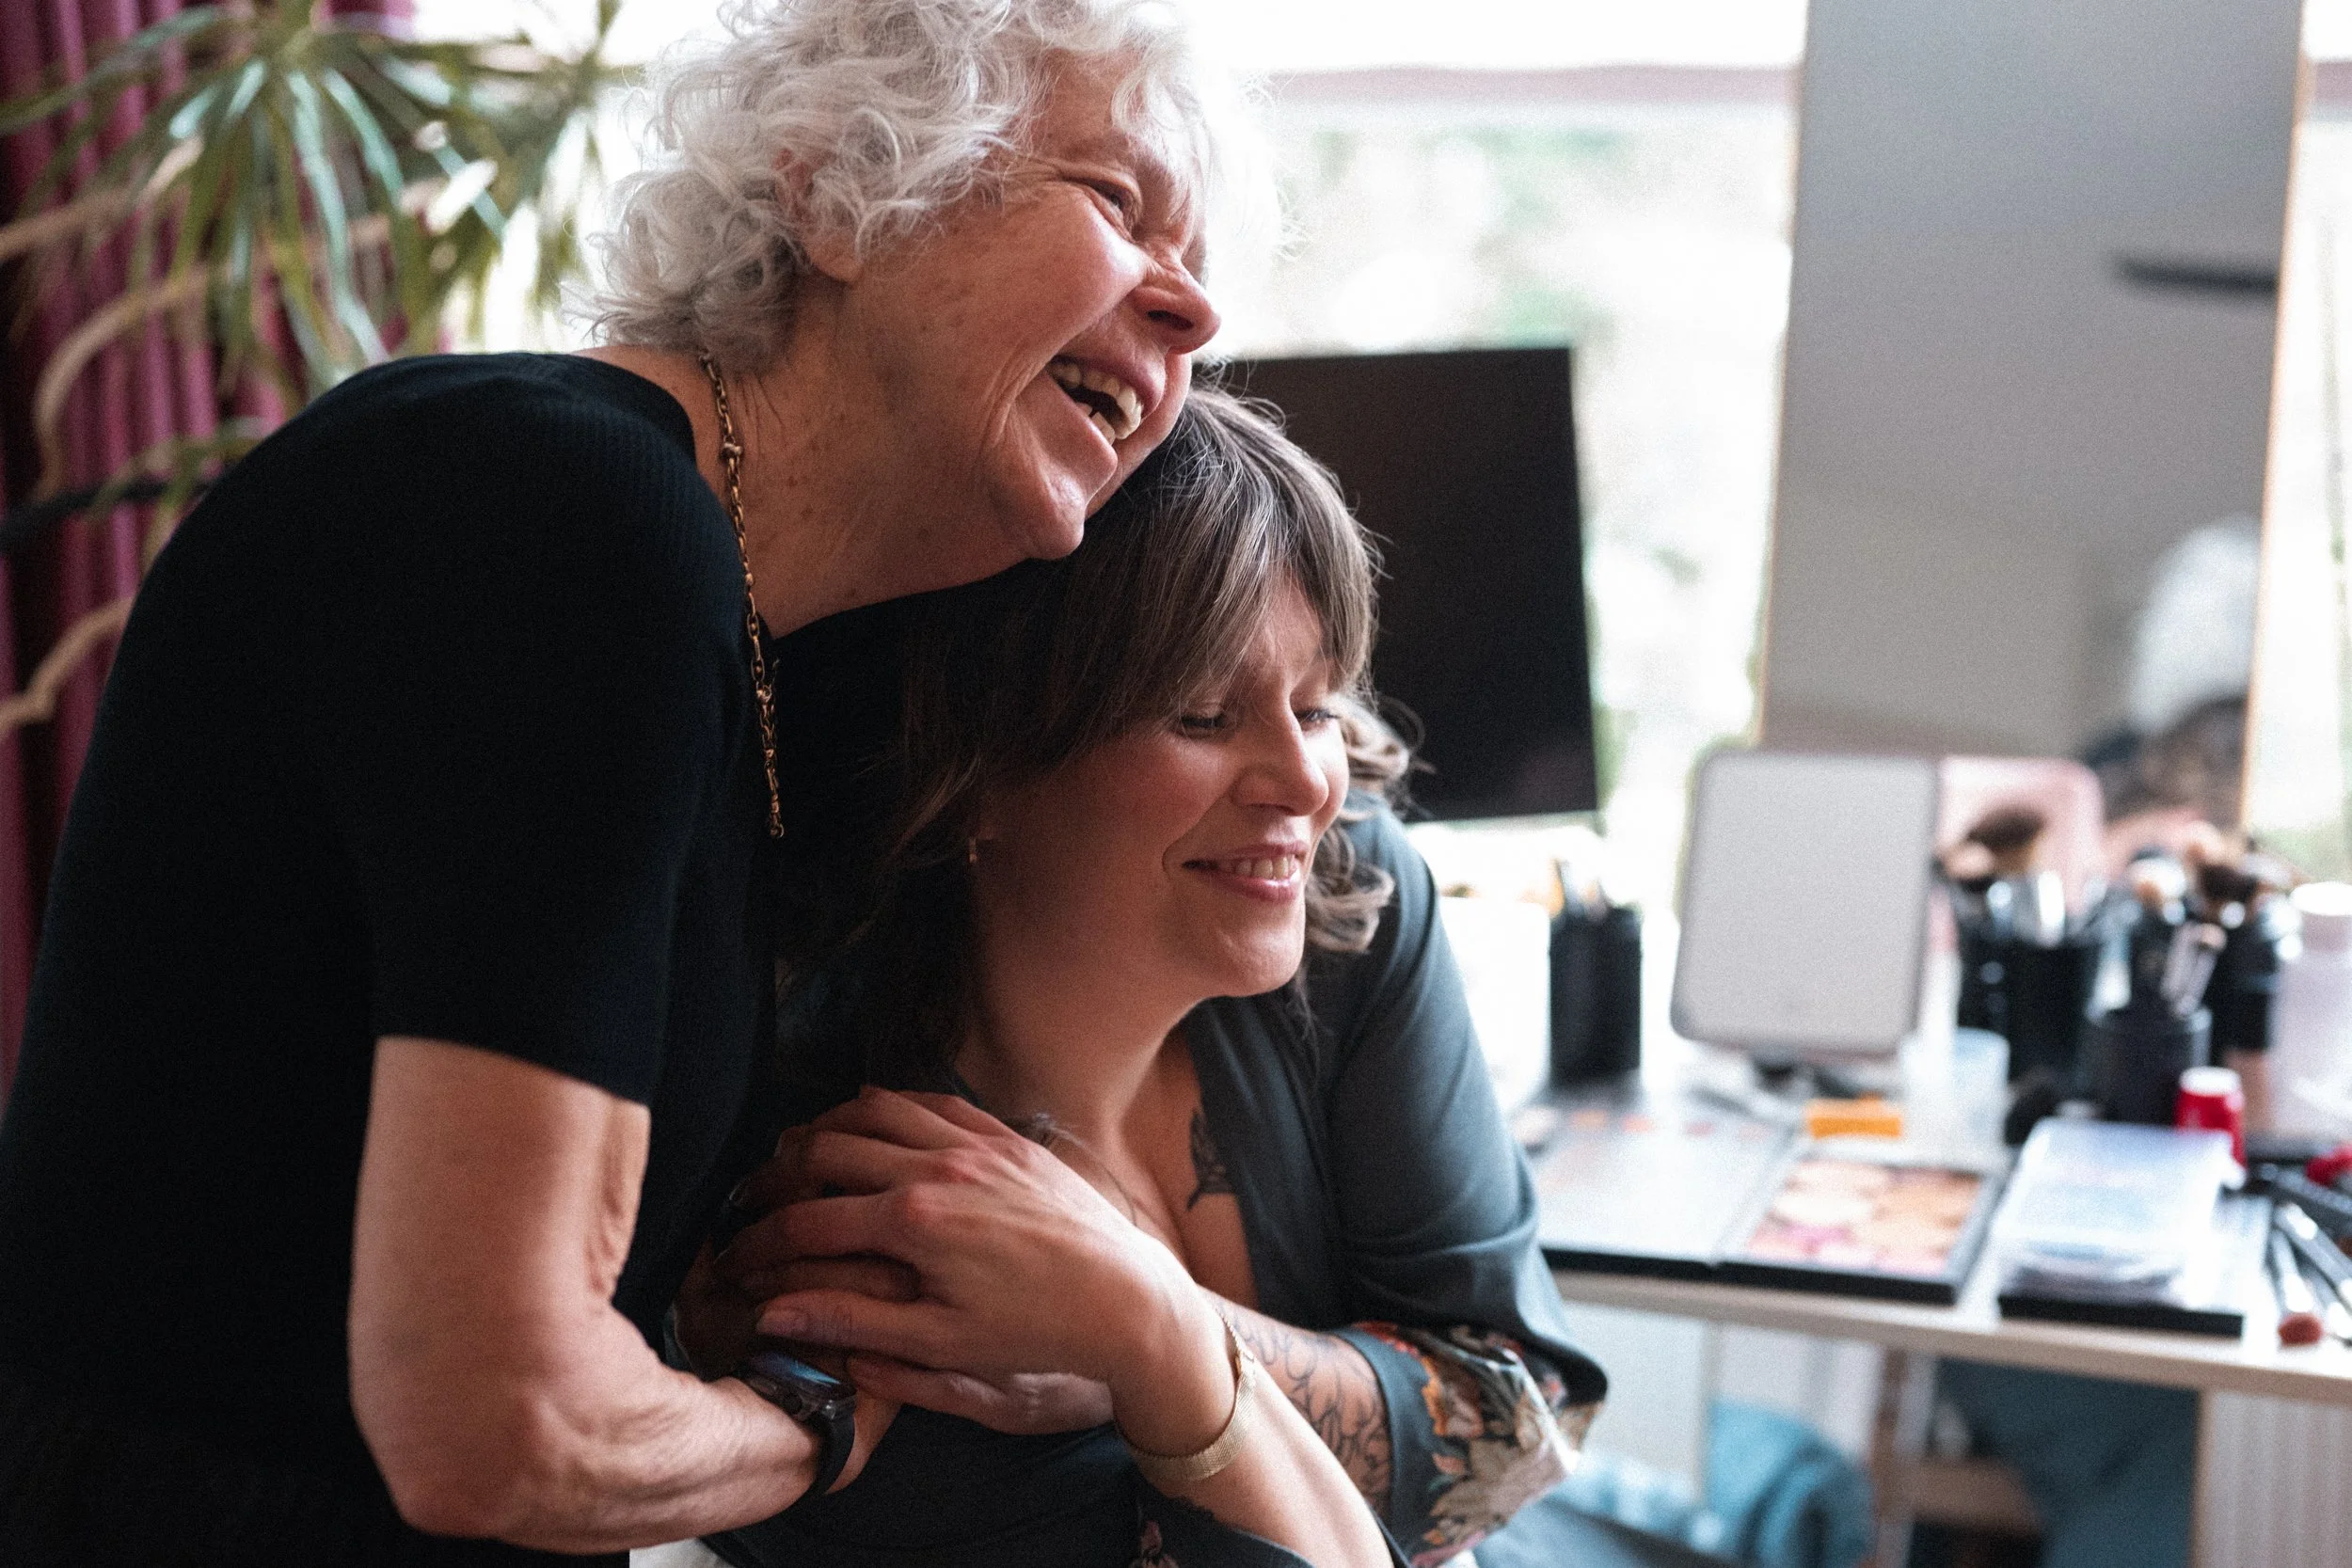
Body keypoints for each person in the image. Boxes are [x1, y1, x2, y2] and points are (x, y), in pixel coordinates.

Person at [0, 1, 1239, 1561]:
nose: (1193, 314)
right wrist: (816, 1419)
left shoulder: (740, 627)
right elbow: (503, 1425)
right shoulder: (556, 511)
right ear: (836, 193)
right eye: (1119, 203)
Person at [679, 388, 1611, 1568]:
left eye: (1316, 705)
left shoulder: (1350, 898)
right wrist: (1165, 1347)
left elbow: (1522, 1421)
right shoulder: (861, 1179)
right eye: (1205, 713)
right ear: (980, 768)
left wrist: (1139, 1326)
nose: (1305, 782)